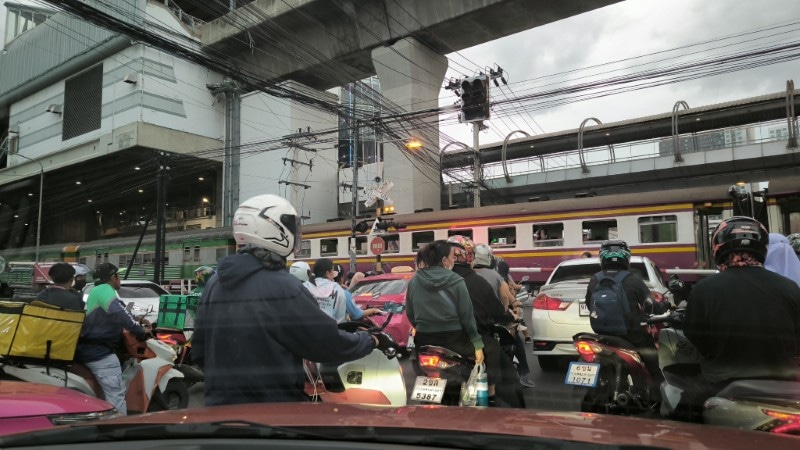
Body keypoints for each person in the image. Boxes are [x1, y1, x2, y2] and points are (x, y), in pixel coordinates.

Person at [192, 194, 383, 406]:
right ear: (272, 230)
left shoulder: (214, 283)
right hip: (272, 412)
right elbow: (324, 342)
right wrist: (369, 340)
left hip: (219, 410)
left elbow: (199, 350)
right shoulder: (284, 287)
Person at [682, 217, 800, 418]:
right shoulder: (790, 288)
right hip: (786, 385)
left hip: (721, 382)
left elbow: (697, 337)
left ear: (718, 248)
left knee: (680, 419)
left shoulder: (704, 289)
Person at [446, 235, 526, 407]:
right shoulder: (476, 281)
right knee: (500, 363)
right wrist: (510, 316)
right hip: (471, 340)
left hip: (432, 341)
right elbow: (497, 311)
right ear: (468, 256)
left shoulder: (432, 280)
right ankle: (491, 396)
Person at [75, 263, 148, 415]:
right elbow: (118, 311)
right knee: (116, 395)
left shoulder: (96, 291)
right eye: (118, 275)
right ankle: (118, 428)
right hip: (100, 353)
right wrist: (140, 330)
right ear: (113, 277)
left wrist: (136, 320)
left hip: (88, 349)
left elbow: (119, 312)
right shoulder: (104, 289)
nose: (119, 278)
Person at [406, 240, 486, 379]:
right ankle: (487, 395)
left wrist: (423, 326)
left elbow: (410, 313)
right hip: (453, 339)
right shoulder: (456, 280)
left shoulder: (415, 280)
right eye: (452, 257)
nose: (454, 260)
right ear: (444, 260)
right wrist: (477, 342)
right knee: (489, 349)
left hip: (423, 339)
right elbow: (467, 316)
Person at [585, 240, 662, 384]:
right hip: (632, 336)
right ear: (627, 258)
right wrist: (666, 305)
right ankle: (658, 397)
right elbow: (652, 307)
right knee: (655, 368)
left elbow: (589, 304)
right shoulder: (633, 280)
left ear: (602, 258)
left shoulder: (595, 279)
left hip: (601, 334)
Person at [303, 258, 348, 323]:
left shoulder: (305, 286)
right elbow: (340, 318)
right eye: (332, 271)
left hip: (308, 328)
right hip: (330, 329)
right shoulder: (338, 289)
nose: (333, 274)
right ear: (327, 273)